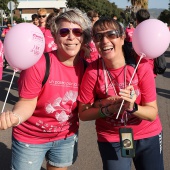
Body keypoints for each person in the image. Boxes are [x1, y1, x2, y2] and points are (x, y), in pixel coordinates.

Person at [0, 8, 92, 170]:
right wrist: (15, 117)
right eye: (64, 32)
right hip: (30, 138)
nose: (71, 36)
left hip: (66, 138)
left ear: (84, 37)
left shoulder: (88, 70)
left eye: (77, 31)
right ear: (55, 38)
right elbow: (27, 102)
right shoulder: (39, 64)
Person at [78, 17, 164, 170]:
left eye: (111, 34)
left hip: (147, 135)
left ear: (123, 38)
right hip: (111, 137)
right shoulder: (92, 71)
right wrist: (107, 109)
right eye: (98, 37)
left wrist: (132, 107)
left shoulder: (141, 65)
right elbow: (83, 114)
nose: (104, 41)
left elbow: (152, 113)